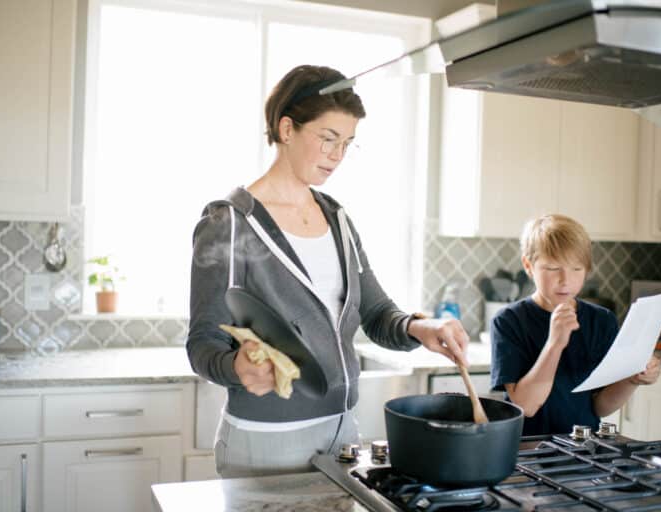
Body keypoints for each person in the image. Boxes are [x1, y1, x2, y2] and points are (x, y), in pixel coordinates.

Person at [187, 64, 470, 478]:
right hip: (265, 439)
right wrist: (236, 368)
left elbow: (375, 313)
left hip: (342, 435)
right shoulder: (228, 223)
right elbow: (203, 343)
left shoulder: (337, 219)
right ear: (287, 129)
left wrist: (418, 329)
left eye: (347, 143)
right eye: (328, 139)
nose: (337, 156)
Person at [490, 214, 661, 436]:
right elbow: (526, 406)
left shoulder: (602, 321)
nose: (565, 280)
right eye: (552, 268)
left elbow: (600, 406)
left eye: (576, 269)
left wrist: (632, 379)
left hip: (584, 449)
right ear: (528, 265)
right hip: (527, 451)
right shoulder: (508, 321)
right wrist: (555, 343)